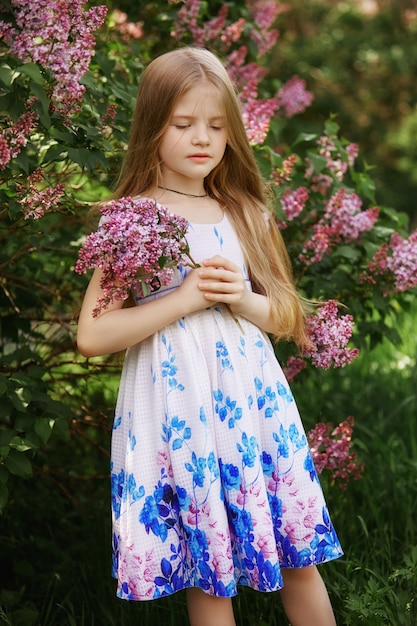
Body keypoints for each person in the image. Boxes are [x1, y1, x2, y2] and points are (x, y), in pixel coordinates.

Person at [77, 47, 342, 626]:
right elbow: (92, 335)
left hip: (252, 407)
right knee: (209, 570)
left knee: (299, 557)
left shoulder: (245, 211)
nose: (203, 138)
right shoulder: (133, 218)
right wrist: (182, 299)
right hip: (180, 411)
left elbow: (287, 317)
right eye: (183, 124)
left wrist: (241, 298)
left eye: (217, 126)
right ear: (152, 127)